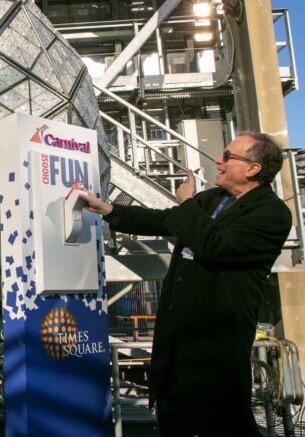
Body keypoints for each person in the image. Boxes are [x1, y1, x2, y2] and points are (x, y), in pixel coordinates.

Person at [83, 132, 291, 436]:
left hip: (215, 344)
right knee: (174, 417)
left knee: (222, 422)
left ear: (252, 169)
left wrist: (189, 204)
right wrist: (110, 211)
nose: (218, 161)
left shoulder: (271, 214)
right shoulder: (214, 200)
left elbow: (216, 246)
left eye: (228, 156)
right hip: (177, 337)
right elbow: (165, 220)